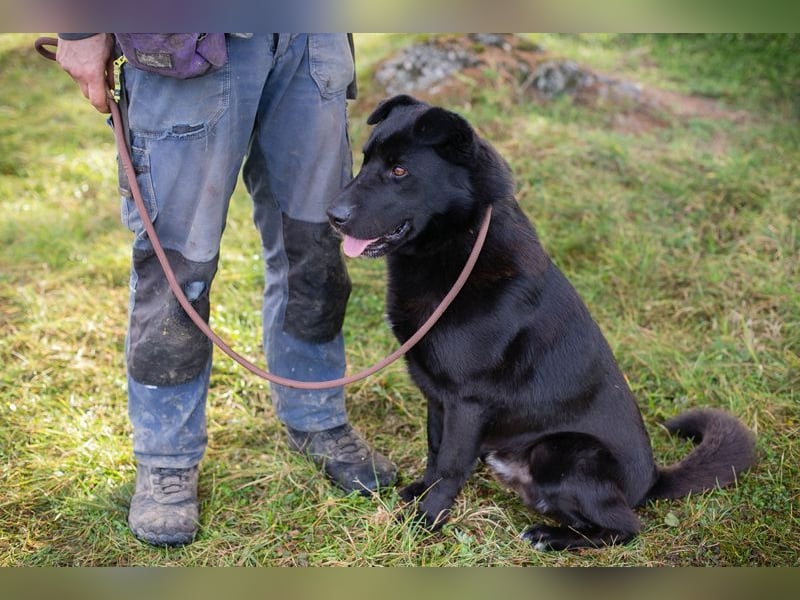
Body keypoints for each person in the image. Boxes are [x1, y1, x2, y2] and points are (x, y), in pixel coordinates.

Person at [56, 33, 397, 547]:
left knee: (315, 247)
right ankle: (166, 459)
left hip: (308, 37)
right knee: (177, 265)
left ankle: (317, 418)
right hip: (181, 38)